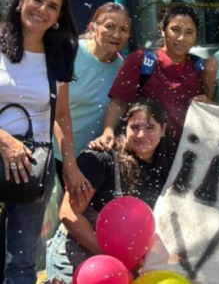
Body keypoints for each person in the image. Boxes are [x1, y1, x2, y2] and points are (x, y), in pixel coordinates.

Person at [0, 0, 89, 284]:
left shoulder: (58, 55)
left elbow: (61, 115)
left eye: (53, 6)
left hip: (33, 168)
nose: (42, 9)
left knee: (21, 259)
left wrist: (70, 166)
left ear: (58, 17)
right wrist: (4, 140)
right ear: (21, 0)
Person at [46, 98, 172, 284]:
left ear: (163, 129)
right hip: (76, 255)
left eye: (150, 127)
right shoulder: (101, 158)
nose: (141, 134)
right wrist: (112, 259)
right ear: (124, 128)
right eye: (134, 127)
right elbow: (68, 213)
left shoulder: (167, 170)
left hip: (123, 267)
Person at [90, 4, 207, 156]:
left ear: (196, 36)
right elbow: (119, 102)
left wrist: (209, 103)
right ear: (162, 30)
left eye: (189, 32)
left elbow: (211, 113)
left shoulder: (201, 68)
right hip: (147, 155)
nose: (181, 38)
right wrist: (108, 131)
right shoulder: (141, 61)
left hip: (188, 156)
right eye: (175, 30)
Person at [53, 3, 131, 184]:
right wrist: (68, 162)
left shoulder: (123, 70)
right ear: (93, 27)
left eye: (123, 29)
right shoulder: (69, 52)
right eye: (109, 26)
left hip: (88, 162)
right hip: (52, 154)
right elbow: (50, 109)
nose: (116, 34)